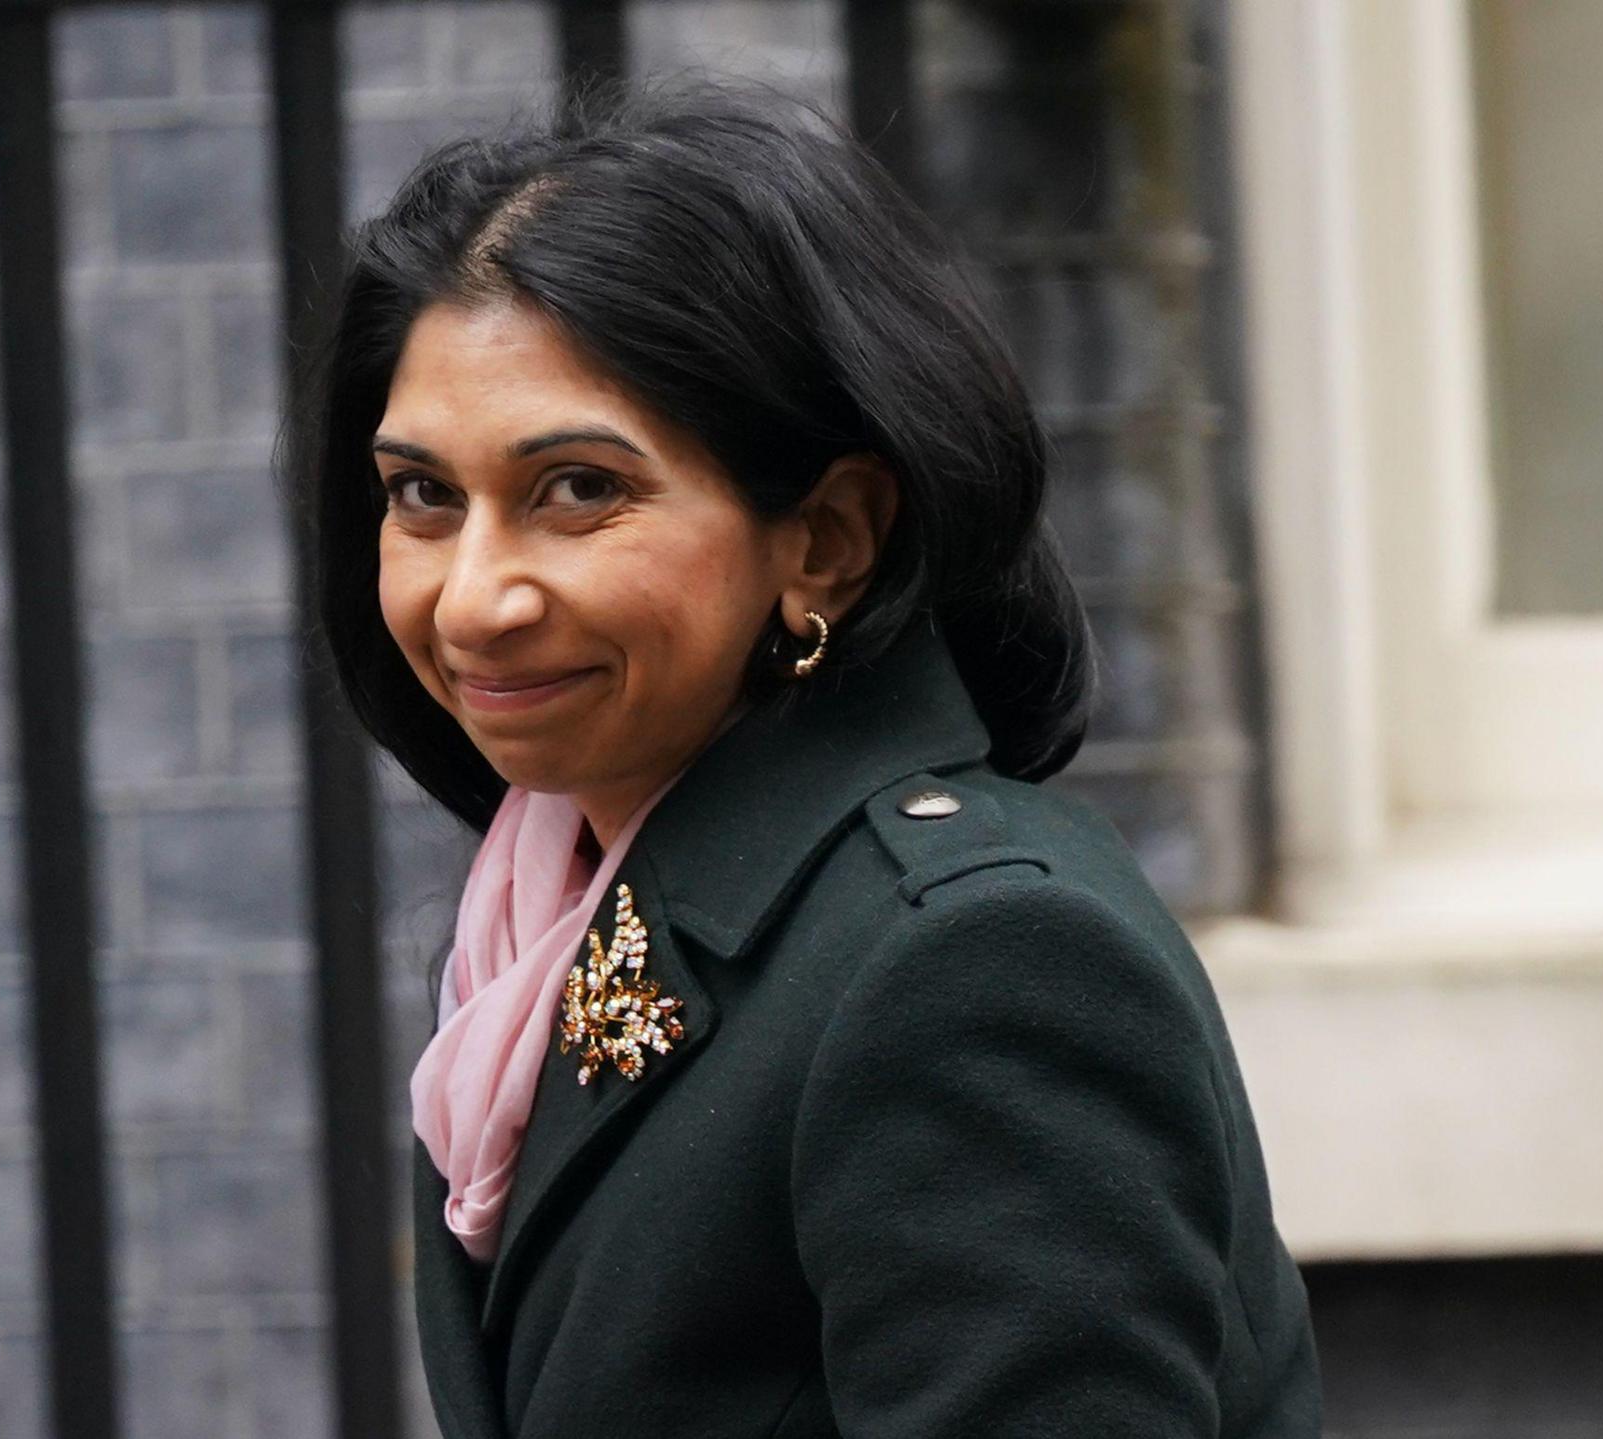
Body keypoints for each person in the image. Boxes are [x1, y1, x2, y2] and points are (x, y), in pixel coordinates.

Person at [292, 77, 1322, 1438]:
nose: (475, 595)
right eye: (426, 495)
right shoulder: (556, 915)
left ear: (825, 539)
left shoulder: (967, 959)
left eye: (579, 490)